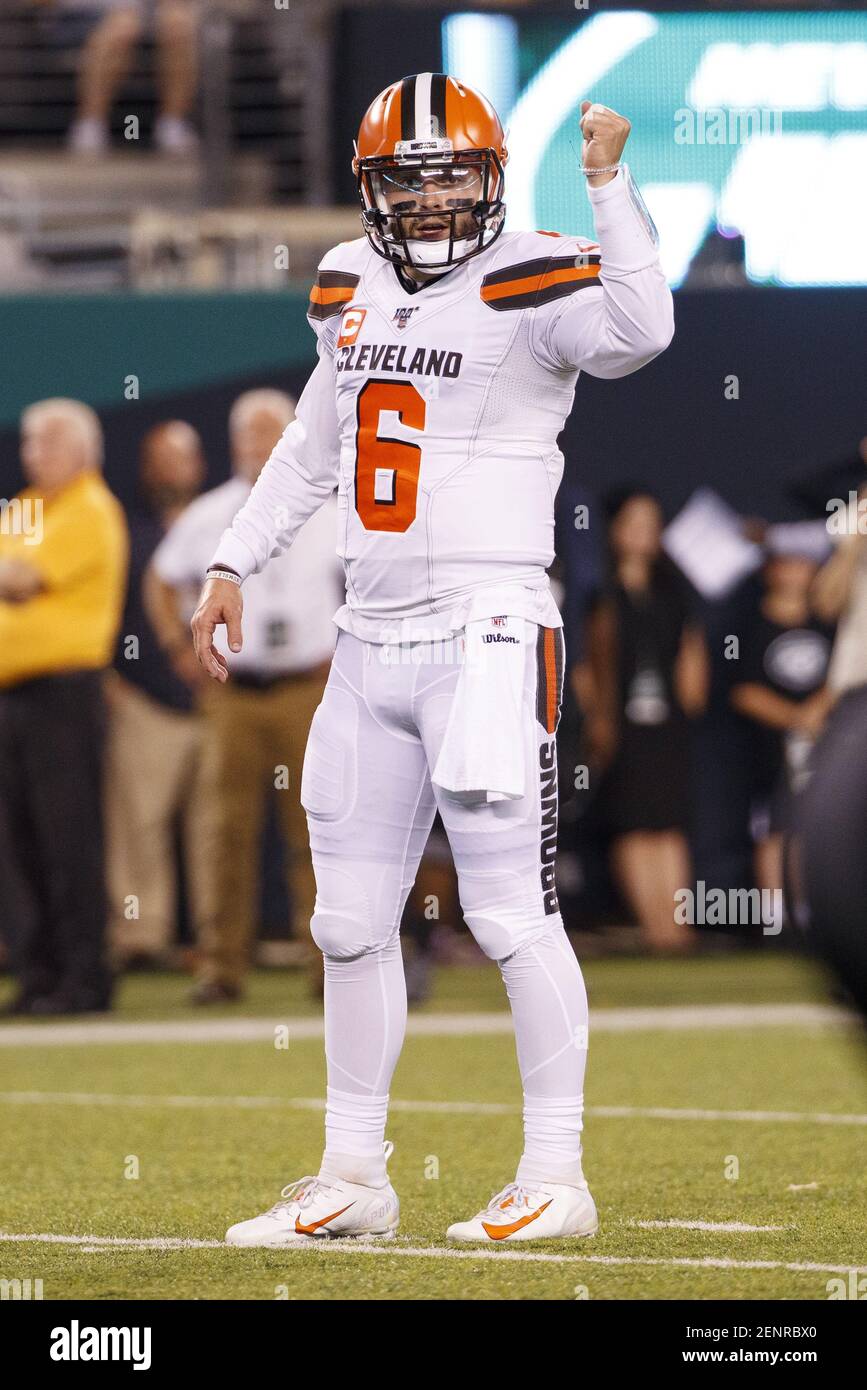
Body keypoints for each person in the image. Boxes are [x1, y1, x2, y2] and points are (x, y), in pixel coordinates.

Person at [191, 76, 673, 1245]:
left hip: (487, 628)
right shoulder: (347, 284)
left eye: (452, 172)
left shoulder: (536, 272)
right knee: (347, 924)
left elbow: (644, 329)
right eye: (407, 179)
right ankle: (353, 1174)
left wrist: (609, 188)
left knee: (510, 913)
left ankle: (556, 1173)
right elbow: (316, 446)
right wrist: (233, 560)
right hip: (367, 636)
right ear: (371, 190)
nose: (432, 196)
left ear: (493, 172)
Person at [147, 390, 341, 1002]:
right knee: (224, 833)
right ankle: (222, 967)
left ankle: (330, 966)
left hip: (308, 689)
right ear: (234, 443)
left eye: (272, 432)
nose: (261, 445)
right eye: (252, 434)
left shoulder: (330, 504)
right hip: (234, 690)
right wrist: (180, 651)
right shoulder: (211, 513)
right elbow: (160, 579)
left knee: (318, 829)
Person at [0, 398, 128, 1014]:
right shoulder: (26, 507)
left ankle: (84, 976)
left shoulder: (91, 508)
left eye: (47, 442)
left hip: (63, 695)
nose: (33, 453)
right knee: (17, 840)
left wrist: (13, 572)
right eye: (27, 441)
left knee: (67, 837)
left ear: (82, 449)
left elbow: (21, 580)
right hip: (11, 696)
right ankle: (38, 974)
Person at [581, 489, 708, 953]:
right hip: (622, 727)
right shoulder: (601, 596)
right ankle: (654, 929)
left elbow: (692, 666)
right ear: (614, 531)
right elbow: (588, 666)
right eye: (633, 522)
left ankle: (677, 932)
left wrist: (691, 700)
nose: (643, 532)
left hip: (667, 727)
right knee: (634, 824)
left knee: (668, 824)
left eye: (651, 522)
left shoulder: (675, 595)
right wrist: (597, 720)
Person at [105, 420, 208, 966]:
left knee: (216, 829)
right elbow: (104, 610)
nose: (171, 469)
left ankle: (220, 939)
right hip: (146, 699)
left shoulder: (226, 523)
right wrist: (110, 678)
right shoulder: (129, 534)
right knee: (139, 825)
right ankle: (141, 936)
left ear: (199, 464)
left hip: (222, 701)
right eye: (159, 458)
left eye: (182, 457)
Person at [731, 540, 834, 924]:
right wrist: (794, 716)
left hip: (827, 745)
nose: (793, 574)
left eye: (802, 564)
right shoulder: (750, 626)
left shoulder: (828, 620)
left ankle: (815, 915)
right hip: (770, 750)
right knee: (773, 829)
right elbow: (742, 690)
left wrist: (817, 710)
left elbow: (847, 672)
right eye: (785, 565)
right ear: (769, 571)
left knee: (820, 829)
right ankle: (775, 919)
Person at [62, 0, 200, 157]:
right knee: (123, 28)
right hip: (92, 15)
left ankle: (173, 124)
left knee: (178, 25)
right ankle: (90, 124)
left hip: (155, 17)